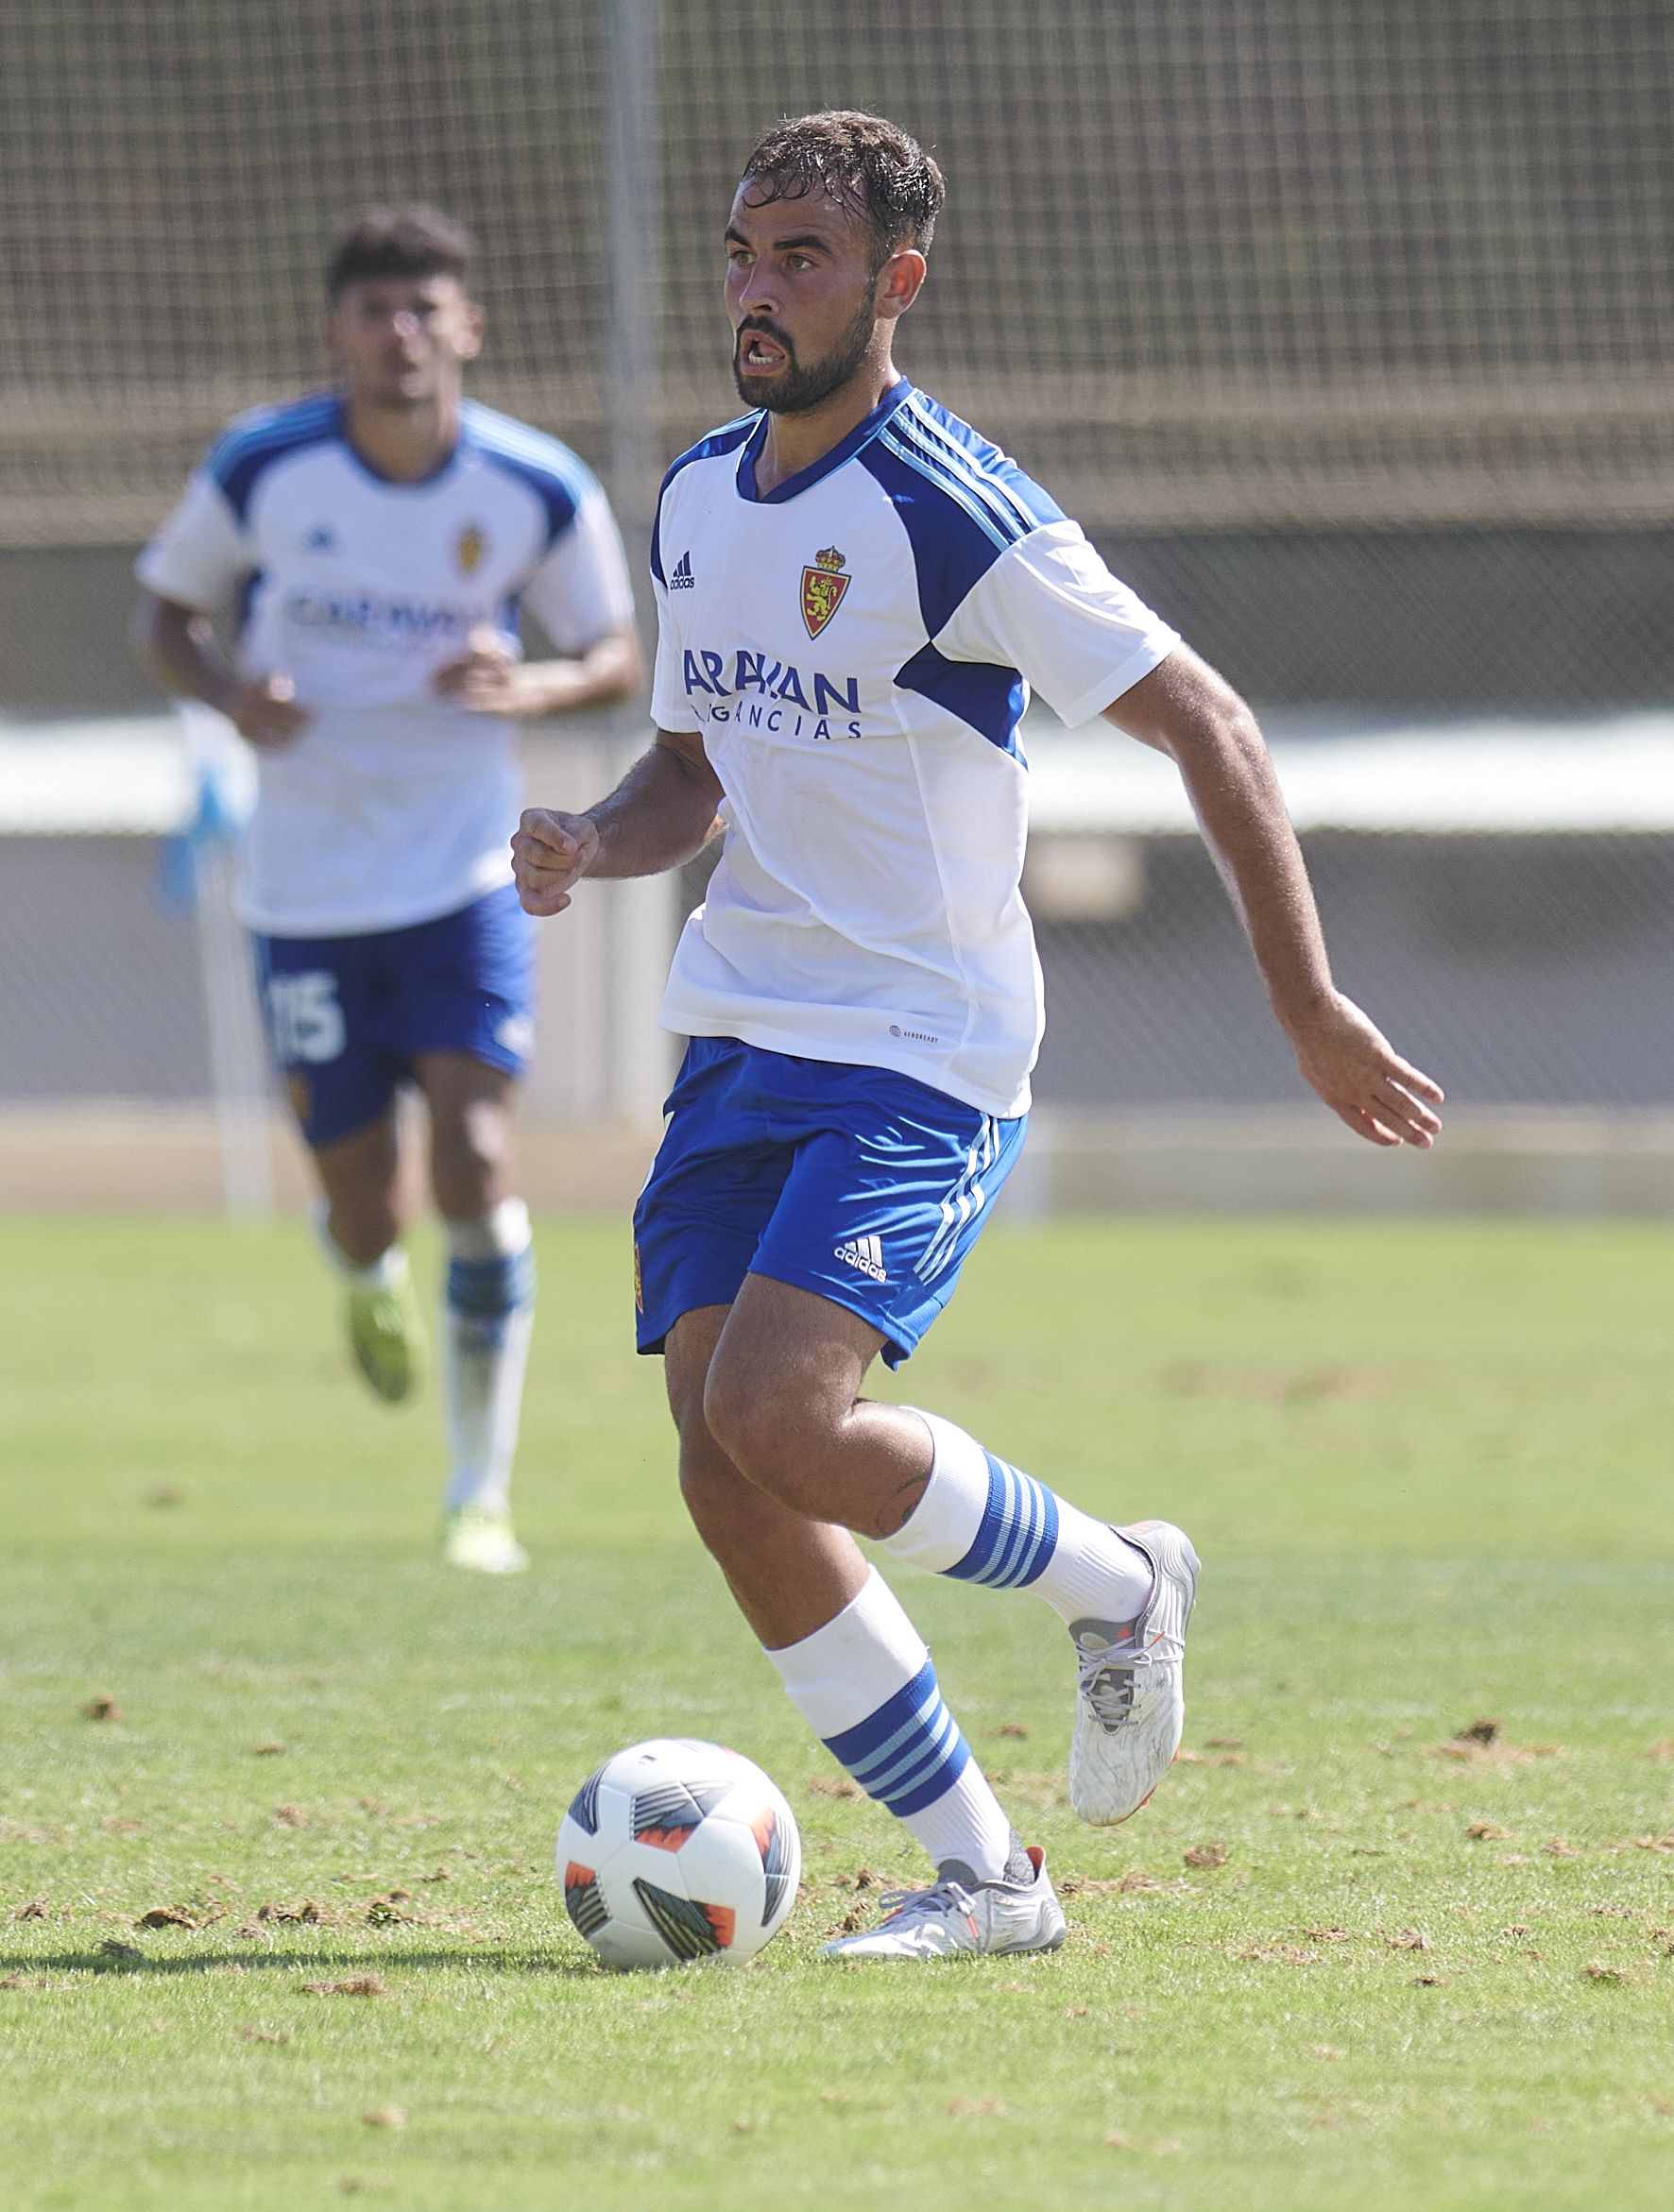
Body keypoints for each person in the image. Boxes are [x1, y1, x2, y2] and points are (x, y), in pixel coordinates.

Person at [512, 113, 1443, 1956]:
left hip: (919, 1041)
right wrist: (590, 843)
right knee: (723, 1466)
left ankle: (1116, 1578)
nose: (758, 291)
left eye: (802, 259)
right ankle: (992, 1877)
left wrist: (1307, 1001)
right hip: (742, 1031)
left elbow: (1210, 722)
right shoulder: (701, 494)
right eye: (742, 252)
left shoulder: (958, 508)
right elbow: (690, 766)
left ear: (894, 284)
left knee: (784, 1411)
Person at [134, 204, 641, 1575]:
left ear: (467, 327)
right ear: (336, 332)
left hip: (461, 879)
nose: (401, 334)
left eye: (427, 310)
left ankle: (480, 1491)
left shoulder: (533, 485)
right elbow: (167, 615)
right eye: (376, 311)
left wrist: (527, 681)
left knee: (477, 1159)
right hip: (302, 892)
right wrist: (237, 692)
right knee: (372, 1205)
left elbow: (613, 650)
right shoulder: (265, 464)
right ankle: (362, 1263)